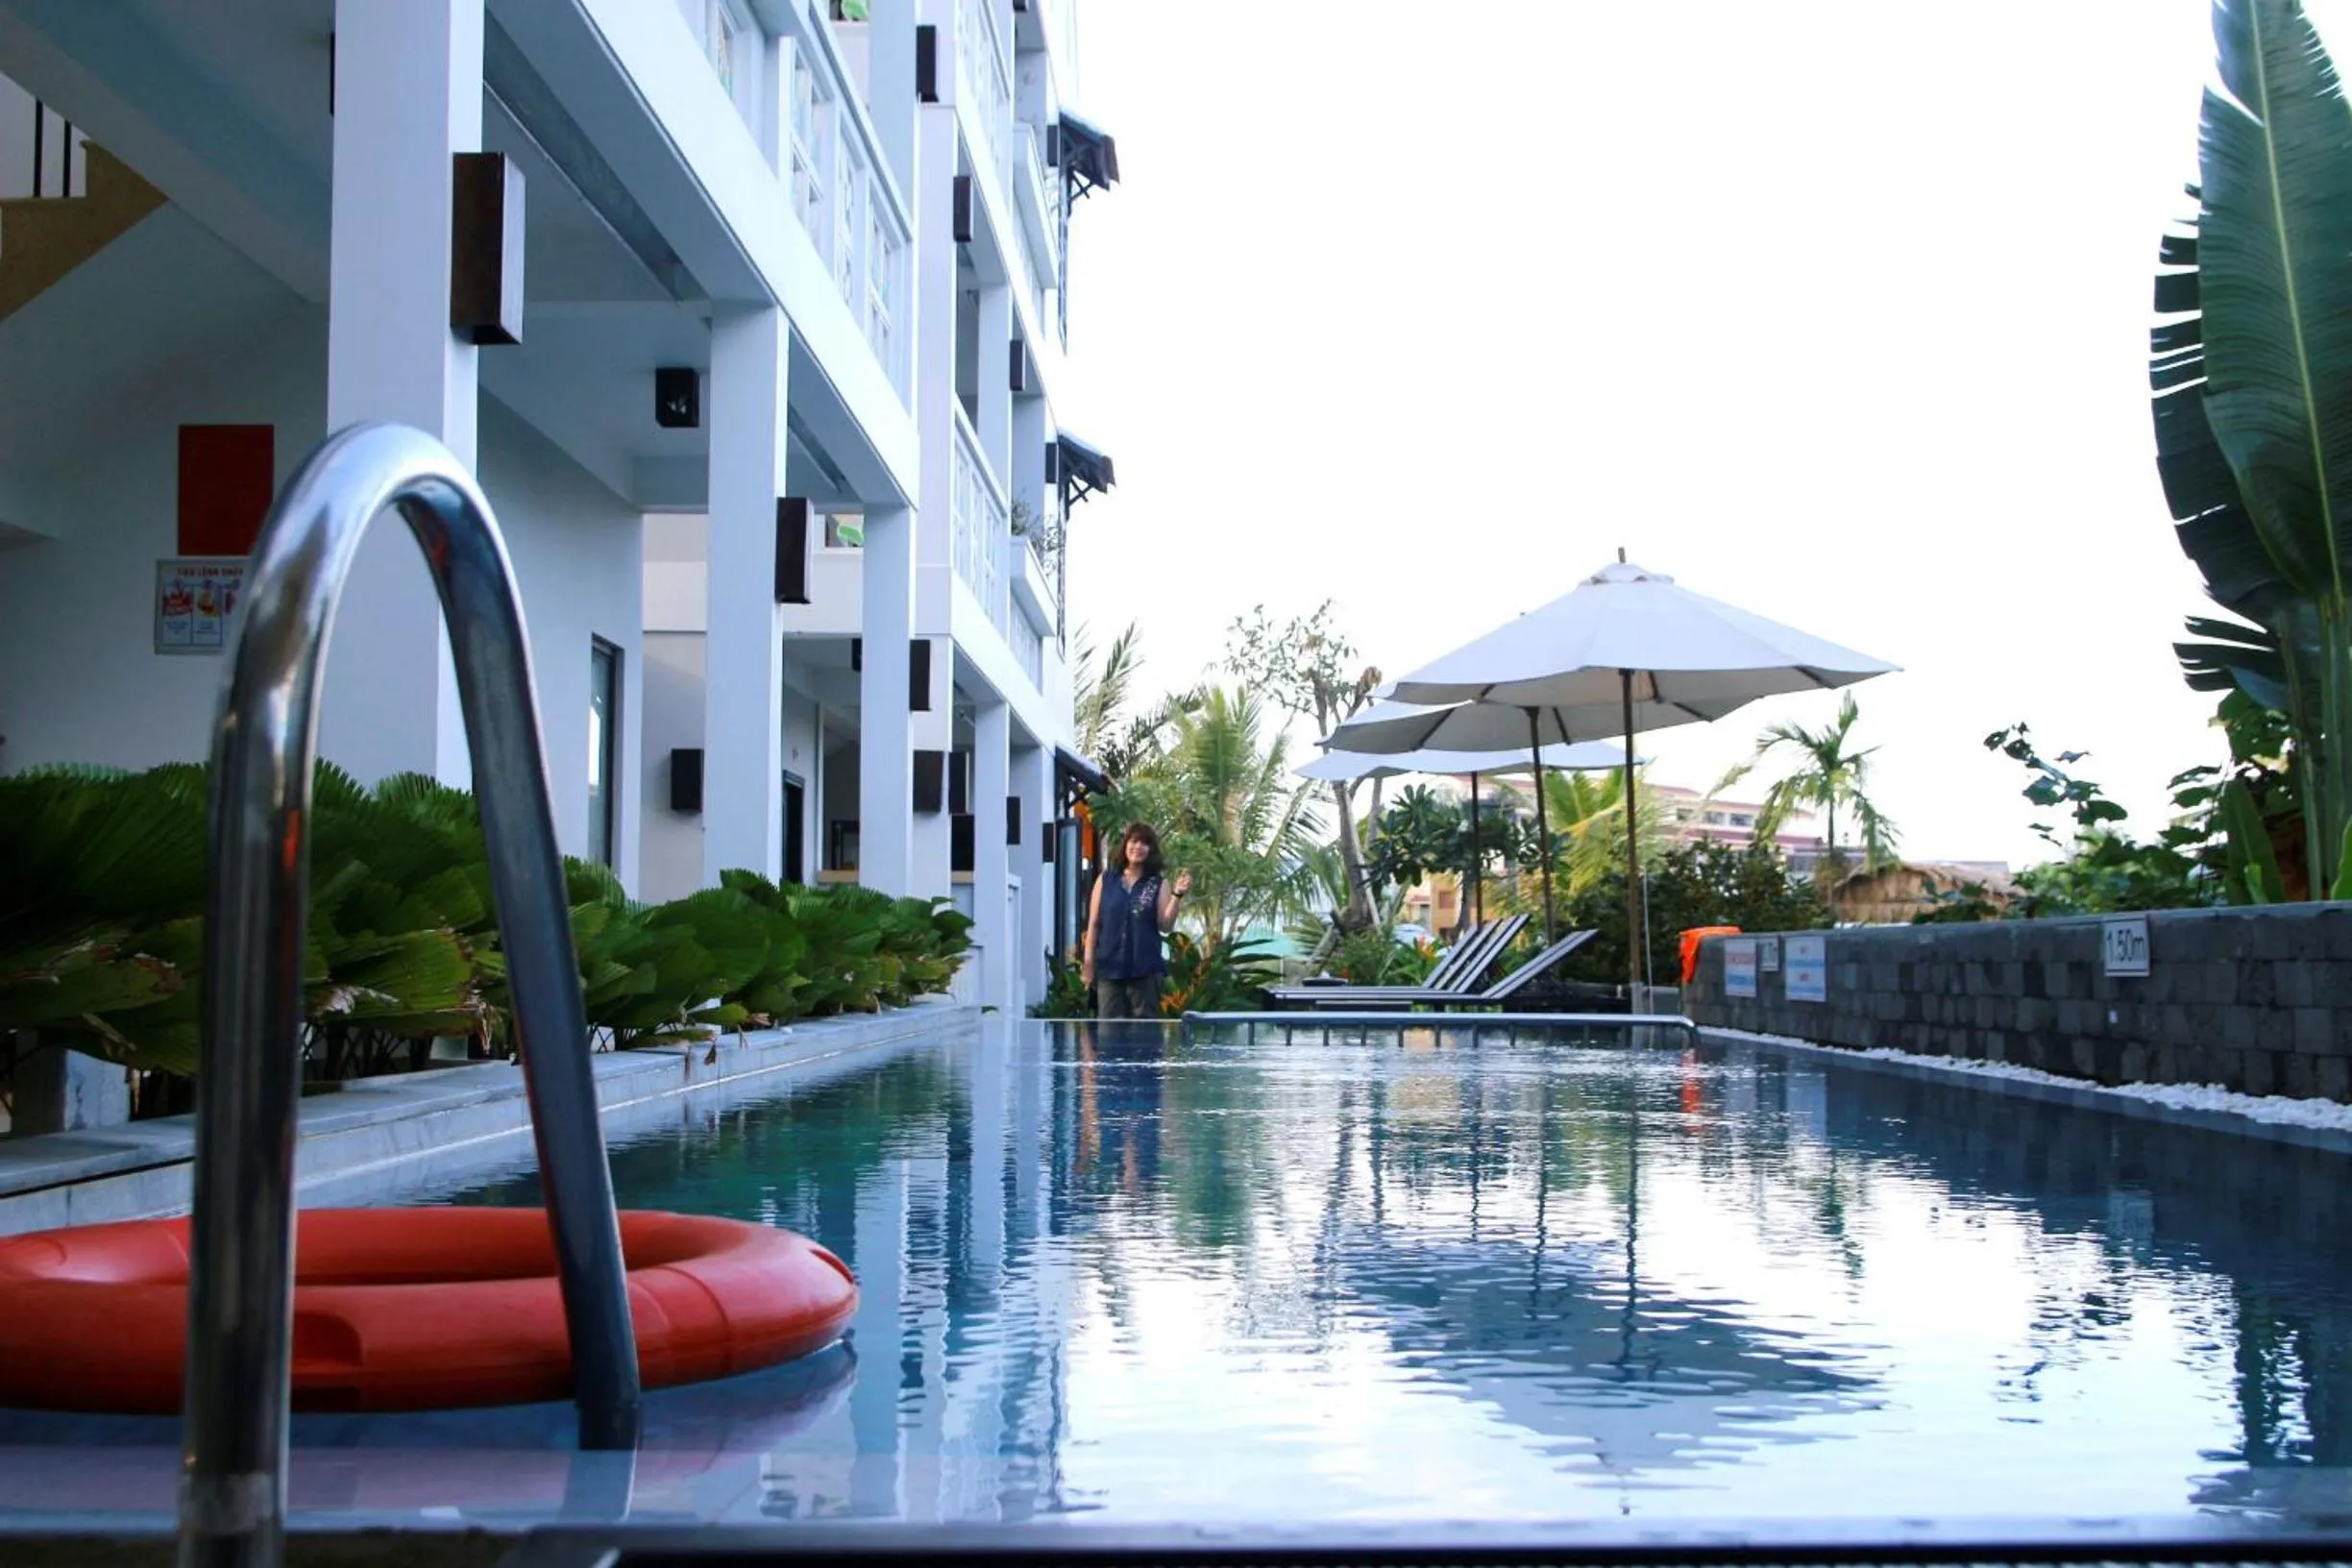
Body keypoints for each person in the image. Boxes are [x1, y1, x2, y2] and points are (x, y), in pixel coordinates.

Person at [1080, 821, 1191, 1019]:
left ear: (1151, 850)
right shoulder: (1106, 880)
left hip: (1145, 972)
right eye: (1134, 841)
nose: (1138, 847)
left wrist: (1177, 895)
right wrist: (1088, 965)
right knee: (1109, 1039)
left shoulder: (1157, 883)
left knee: (1144, 1041)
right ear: (1125, 845)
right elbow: (1094, 924)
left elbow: (1165, 925)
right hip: (1109, 971)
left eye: (1144, 843)